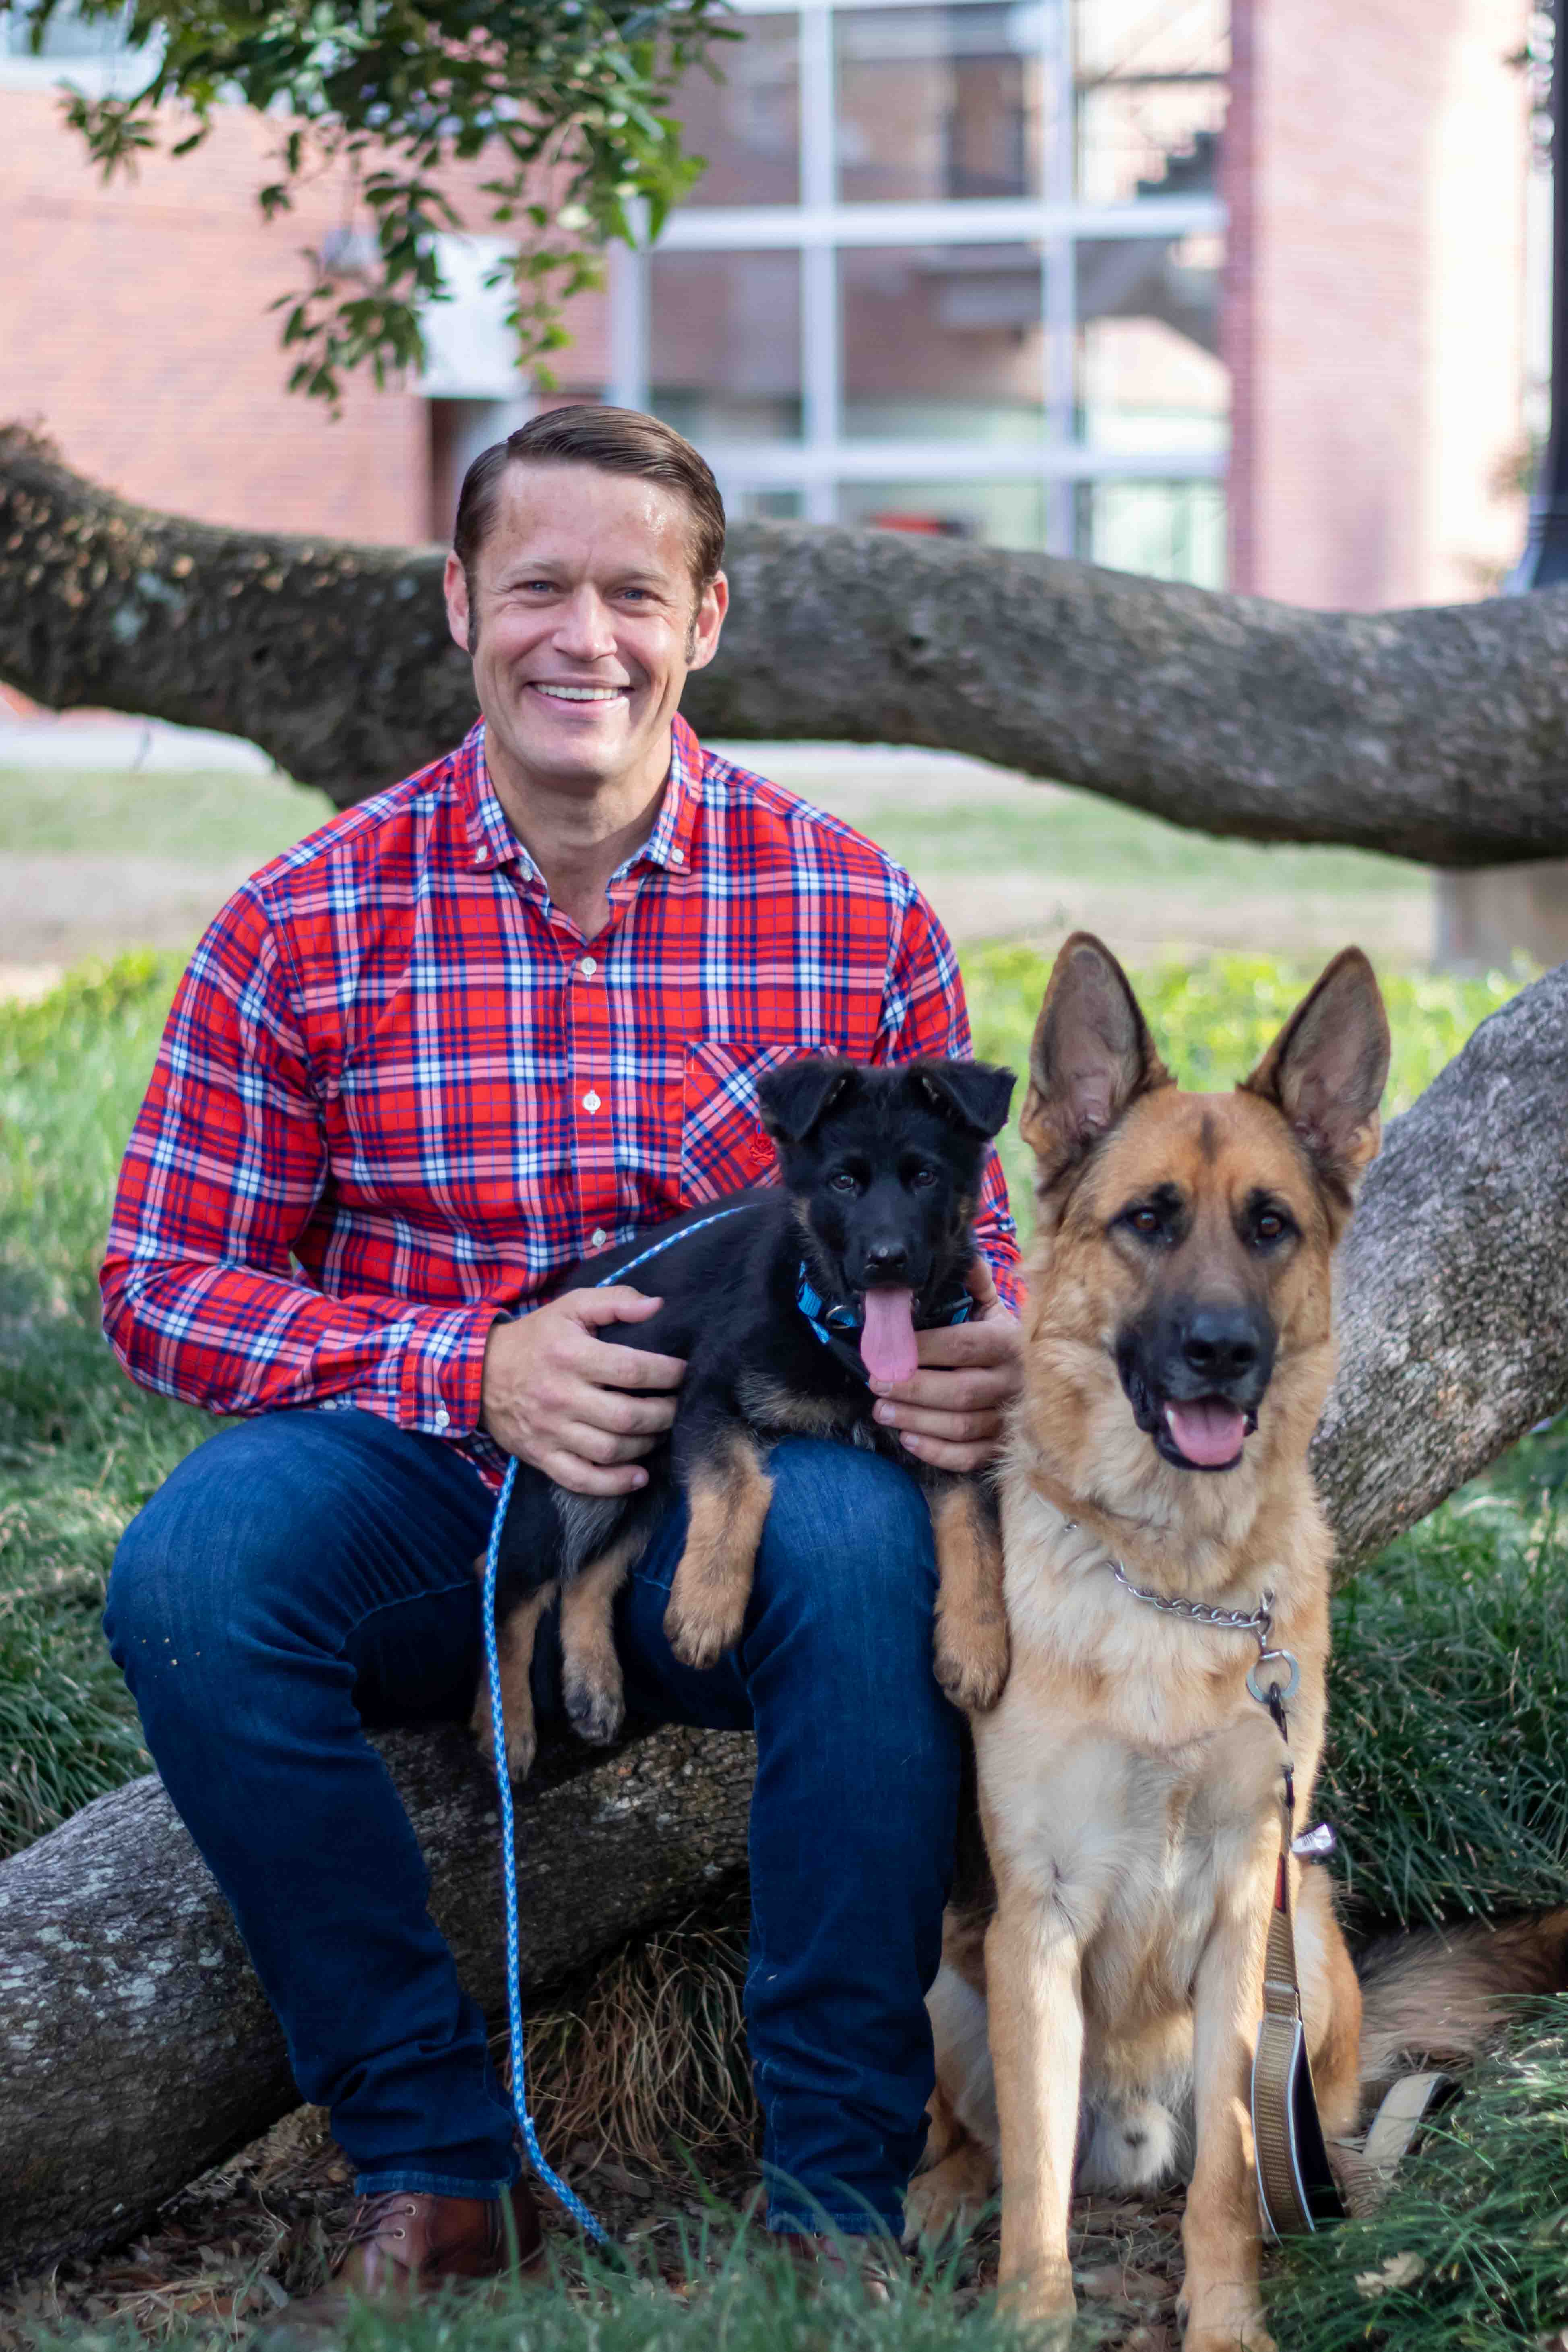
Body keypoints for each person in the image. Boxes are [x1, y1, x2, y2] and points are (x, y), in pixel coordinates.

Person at [100, 405, 1023, 2314]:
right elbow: (161, 1281)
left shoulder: (850, 906)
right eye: (535, 587)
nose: (578, 637)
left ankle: (833, 2203)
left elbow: (973, 1239)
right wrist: (467, 1363)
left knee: (863, 1559)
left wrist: (982, 1354)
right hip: (435, 1481)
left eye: (630, 593)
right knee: (195, 1580)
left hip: (758, 1486)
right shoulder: (302, 918)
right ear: (458, 604)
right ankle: (438, 2170)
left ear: (705, 622)